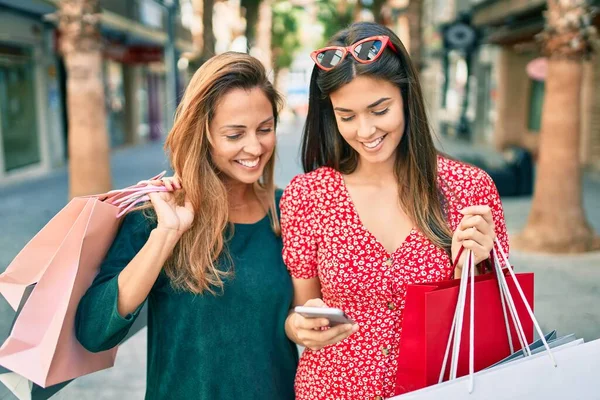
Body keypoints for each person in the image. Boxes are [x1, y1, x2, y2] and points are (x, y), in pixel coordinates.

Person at [281, 22, 508, 400]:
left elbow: (498, 315)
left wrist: (481, 263)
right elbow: (302, 306)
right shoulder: (309, 195)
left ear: (406, 96)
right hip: (332, 389)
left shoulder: (469, 188)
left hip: (442, 387)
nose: (366, 130)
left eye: (379, 109)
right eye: (347, 116)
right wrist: (297, 327)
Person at [75, 52, 298, 400]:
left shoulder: (290, 212)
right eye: (234, 134)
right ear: (203, 133)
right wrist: (166, 234)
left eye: (264, 129)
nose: (254, 146)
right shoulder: (154, 218)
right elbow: (94, 333)